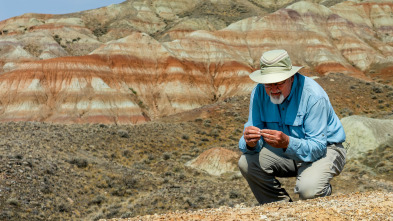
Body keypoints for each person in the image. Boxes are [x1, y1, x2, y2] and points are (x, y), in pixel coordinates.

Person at [238, 49, 346, 204]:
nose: (274, 90)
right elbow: (250, 140)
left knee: (309, 190)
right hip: (286, 151)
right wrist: (250, 142)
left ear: (291, 77)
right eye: (268, 84)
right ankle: (281, 209)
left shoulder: (313, 96)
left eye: (279, 83)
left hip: (326, 149)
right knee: (246, 163)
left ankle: (321, 195)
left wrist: (288, 143)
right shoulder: (259, 93)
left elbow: (318, 147)